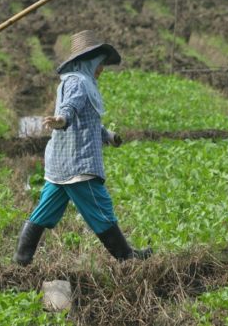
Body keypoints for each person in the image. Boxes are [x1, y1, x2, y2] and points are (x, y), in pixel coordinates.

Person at [13, 30, 152, 266]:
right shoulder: (79, 82)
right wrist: (61, 120)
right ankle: (126, 257)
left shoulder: (76, 81)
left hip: (61, 164)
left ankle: (21, 258)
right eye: (100, 63)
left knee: (44, 211)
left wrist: (108, 136)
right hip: (79, 162)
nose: (102, 69)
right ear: (89, 61)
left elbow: (88, 121)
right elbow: (71, 108)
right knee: (101, 208)